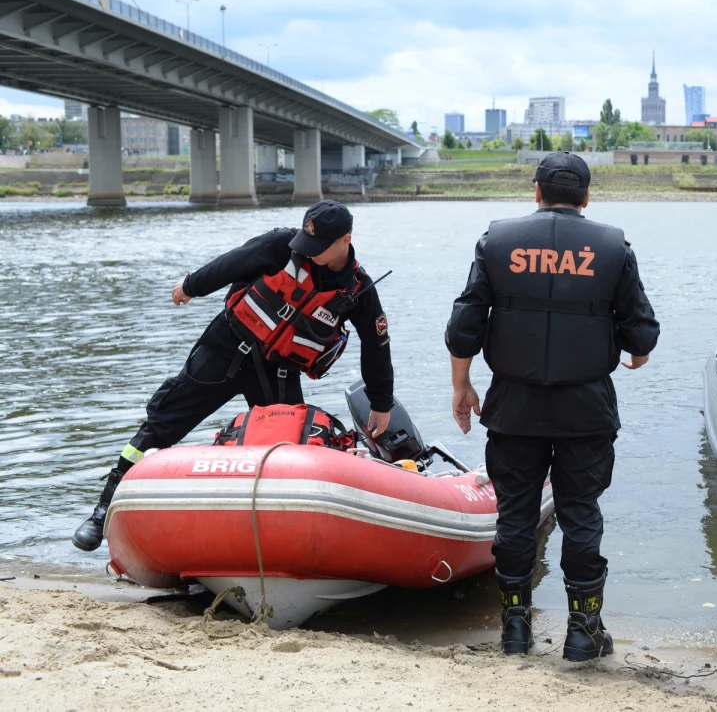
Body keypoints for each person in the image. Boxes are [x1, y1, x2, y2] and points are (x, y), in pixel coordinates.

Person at [72, 201, 394, 551]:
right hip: (226, 347)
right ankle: (103, 510)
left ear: (345, 241)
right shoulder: (282, 245)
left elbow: (376, 346)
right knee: (163, 423)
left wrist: (380, 402)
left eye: (318, 247)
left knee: (289, 451)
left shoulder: (359, 290)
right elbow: (231, 263)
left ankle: (275, 535)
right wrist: (191, 286)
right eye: (307, 241)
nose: (308, 251)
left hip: (277, 370)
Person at [444, 152, 659, 661]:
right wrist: (635, 350)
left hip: (514, 405)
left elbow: (464, 326)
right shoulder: (613, 247)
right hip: (585, 407)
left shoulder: (496, 241)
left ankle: (514, 630)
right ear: (586, 196)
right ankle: (583, 632)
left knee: (515, 514)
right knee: (581, 512)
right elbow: (641, 333)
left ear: (535, 191)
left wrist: (462, 386)